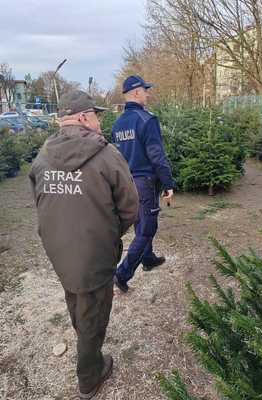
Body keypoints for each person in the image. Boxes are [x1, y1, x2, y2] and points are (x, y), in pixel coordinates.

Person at [29, 90, 139, 400]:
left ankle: (85, 340)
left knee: (77, 298)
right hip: (95, 253)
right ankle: (90, 376)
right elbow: (130, 208)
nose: (100, 122)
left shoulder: (42, 156)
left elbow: (40, 201)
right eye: (96, 115)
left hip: (59, 251)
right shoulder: (107, 155)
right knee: (94, 310)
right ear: (82, 117)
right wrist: (106, 235)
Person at [112, 75, 174, 293]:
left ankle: (147, 258)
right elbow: (157, 156)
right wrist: (169, 184)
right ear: (137, 92)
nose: (148, 94)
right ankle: (122, 273)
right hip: (144, 182)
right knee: (147, 229)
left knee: (141, 222)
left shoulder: (117, 123)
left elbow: (117, 157)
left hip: (126, 183)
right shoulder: (147, 120)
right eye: (145, 90)